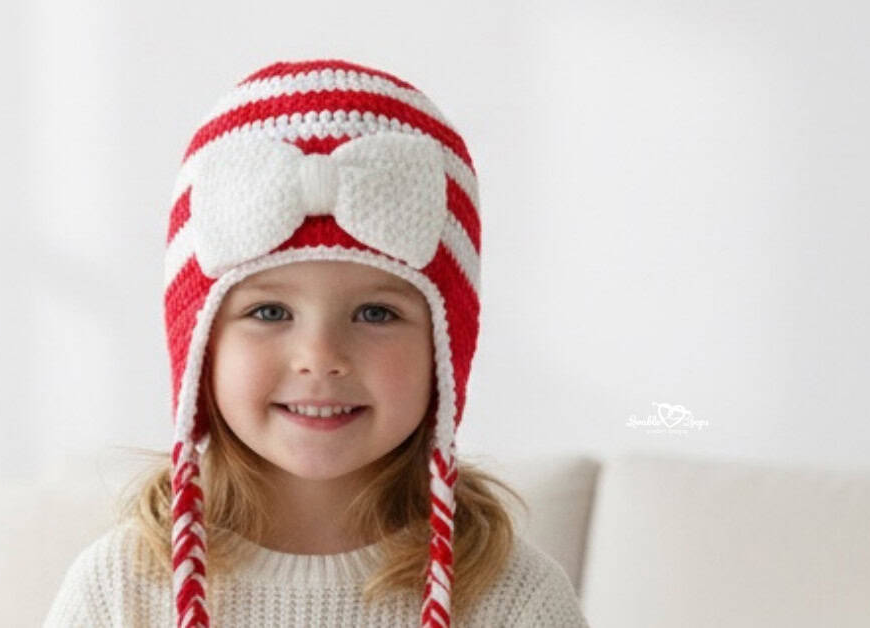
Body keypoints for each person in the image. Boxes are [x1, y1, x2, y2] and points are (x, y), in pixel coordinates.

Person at [43, 58, 590, 627]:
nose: (321, 357)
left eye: (376, 312)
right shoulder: (119, 588)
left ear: (445, 350)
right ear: (200, 345)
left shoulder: (515, 598)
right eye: (270, 311)